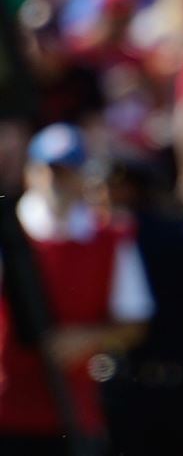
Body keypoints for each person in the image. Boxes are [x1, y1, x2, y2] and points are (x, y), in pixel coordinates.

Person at [0, 123, 154, 456]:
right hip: (7, 406)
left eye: (68, 171)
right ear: (32, 173)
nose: (58, 180)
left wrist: (85, 339)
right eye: (50, 170)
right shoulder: (8, 234)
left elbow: (134, 321)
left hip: (74, 411)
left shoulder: (109, 239)